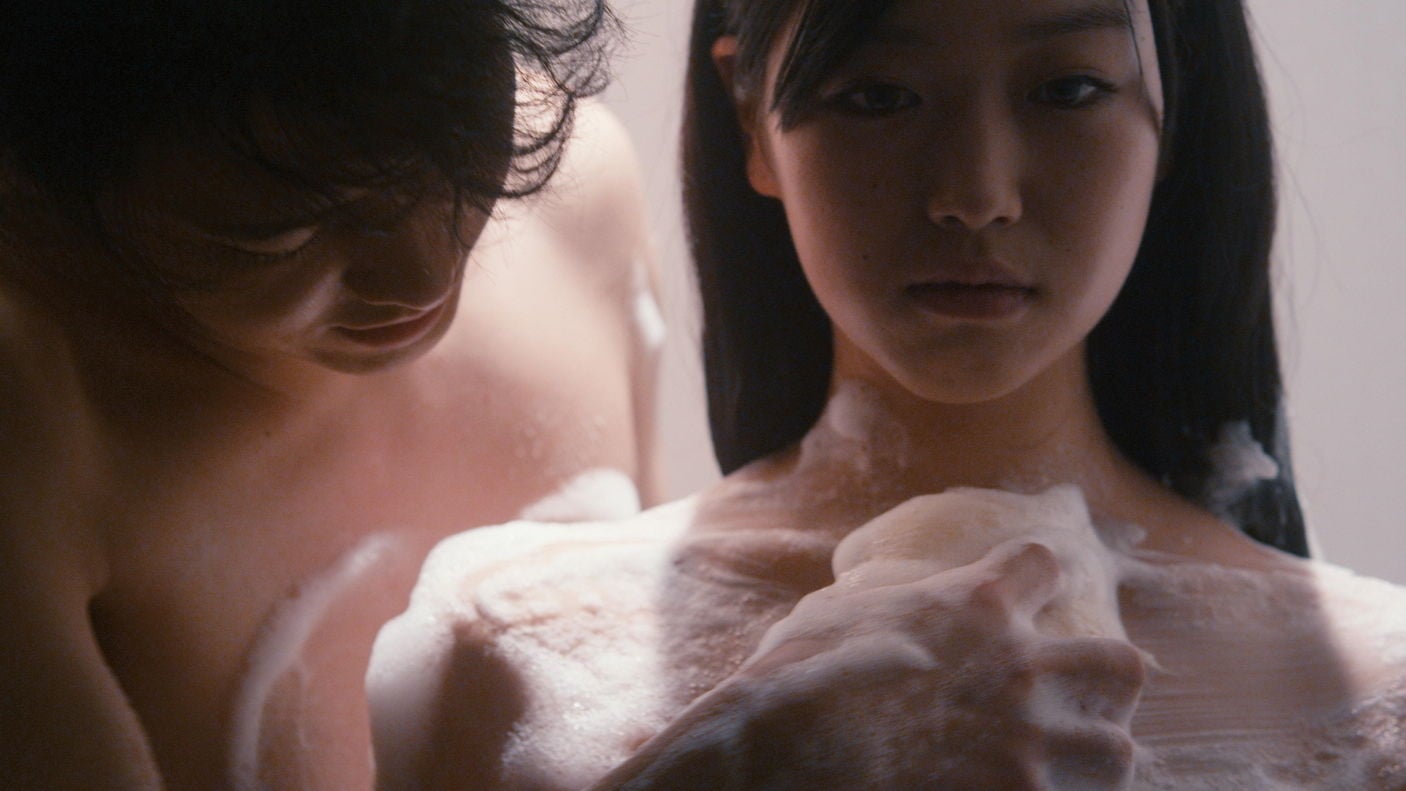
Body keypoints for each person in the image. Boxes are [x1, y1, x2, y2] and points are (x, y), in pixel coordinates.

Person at [373, 0, 1406, 788]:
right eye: (876, 95)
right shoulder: (510, 643)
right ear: (750, 119)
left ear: (1174, 111)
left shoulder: (1378, 697)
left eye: (1067, 89)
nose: (975, 193)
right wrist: (743, 765)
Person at [0, 1, 664, 788]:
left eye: (456, 147)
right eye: (284, 235)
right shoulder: (40, 421)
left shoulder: (577, 188)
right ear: (30, 195)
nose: (423, 275)